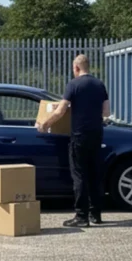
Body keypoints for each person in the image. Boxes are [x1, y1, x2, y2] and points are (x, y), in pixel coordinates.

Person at [36, 54, 110, 227]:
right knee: (94, 174)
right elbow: (106, 112)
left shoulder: (73, 84)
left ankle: (81, 216)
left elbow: (60, 111)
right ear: (87, 67)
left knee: (79, 175)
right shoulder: (99, 85)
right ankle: (95, 214)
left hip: (79, 136)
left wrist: (45, 124)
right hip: (96, 135)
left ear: (76, 68)